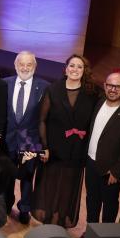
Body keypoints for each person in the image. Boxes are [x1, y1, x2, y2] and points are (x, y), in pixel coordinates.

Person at [33, 54, 100, 229]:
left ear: (84, 70)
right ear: (66, 68)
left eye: (79, 66)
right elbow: (42, 120)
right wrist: (44, 147)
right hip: (54, 148)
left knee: (67, 188)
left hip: (77, 150)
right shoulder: (53, 89)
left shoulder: (92, 92)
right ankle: (47, 221)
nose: (75, 69)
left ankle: (60, 220)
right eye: (72, 66)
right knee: (50, 184)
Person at [84, 72, 120, 226]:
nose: (113, 89)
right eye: (110, 85)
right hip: (91, 162)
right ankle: (91, 232)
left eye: (118, 86)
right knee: (92, 200)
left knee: (109, 205)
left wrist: (117, 171)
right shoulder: (99, 101)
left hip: (111, 170)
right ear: (105, 86)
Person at [3, 51, 48, 225]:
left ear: (35, 67)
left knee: (27, 178)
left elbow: (46, 118)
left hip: (30, 141)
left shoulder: (44, 87)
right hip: (8, 139)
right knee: (7, 176)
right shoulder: (4, 84)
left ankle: (24, 208)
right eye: (21, 64)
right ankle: (6, 204)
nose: (24, 67)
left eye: (29, 64)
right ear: (15, 66)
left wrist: (43, 144)